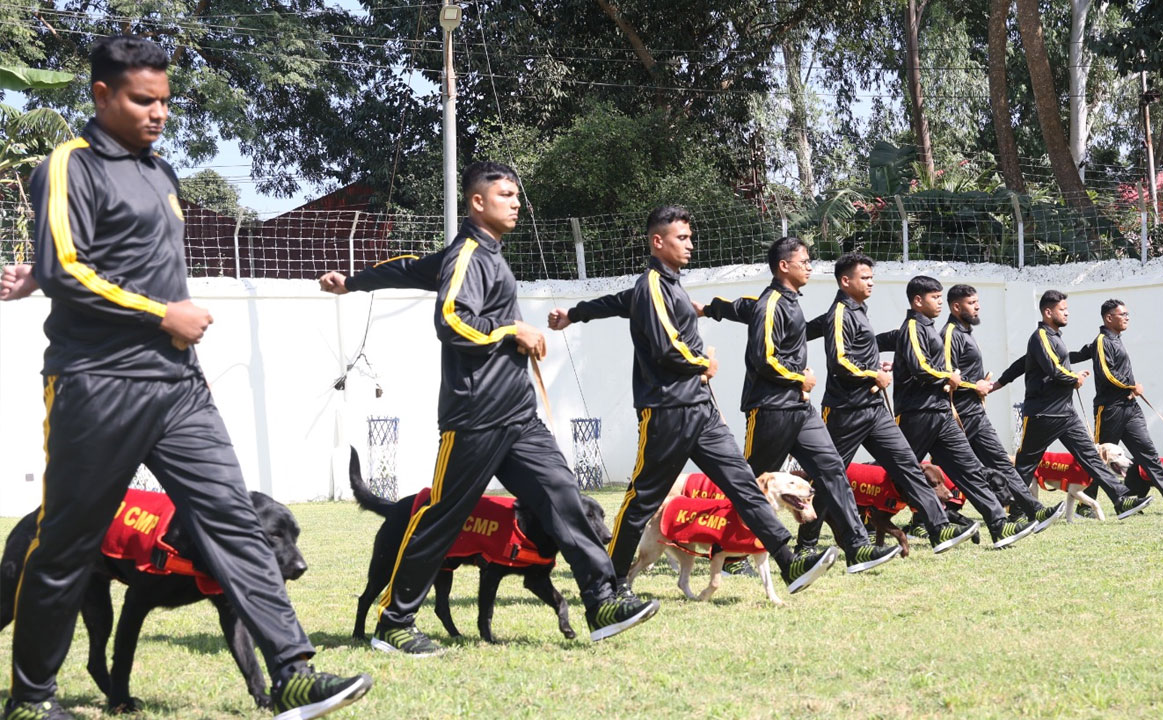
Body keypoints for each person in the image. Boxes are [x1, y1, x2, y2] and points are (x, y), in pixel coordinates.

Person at [7, 35, 371, 720]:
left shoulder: (161, 174)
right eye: (143, 101)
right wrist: (157, 312)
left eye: (166, 102)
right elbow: (68, 267)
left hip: (179, 386)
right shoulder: (69, 166)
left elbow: (110, 259)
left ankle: (291, 672)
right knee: (67, 543)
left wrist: (147, 314)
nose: (158, 114)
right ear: (102, 96)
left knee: (233, 520)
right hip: (97, 385)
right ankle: (30, 698)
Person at [320, 161, 658, 651]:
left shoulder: (486, 255)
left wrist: (352, 283)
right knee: (444, 518)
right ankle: (395, 623)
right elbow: (451, 320)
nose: (517, 201)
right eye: (506, 194)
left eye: (518, 194)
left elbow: (408, 267)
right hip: (475, 416)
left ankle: (602, 599)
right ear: (478, 202)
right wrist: (511, 331)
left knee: (562, 494)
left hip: (517, 415)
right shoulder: (469, 255)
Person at [547, 209, 841, 591]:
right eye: (681, 238)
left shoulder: (668, 286)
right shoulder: (652, 285)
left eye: (689, 237)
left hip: (702, 411)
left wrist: (574, 313)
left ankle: (789, 563)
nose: (690, 244)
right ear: (658, 242)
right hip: (667, 411)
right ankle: (611, 579)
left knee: (744, 485)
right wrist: (705, 362)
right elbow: (669, 347)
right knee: (642, 500)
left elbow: (617, 301)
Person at [700, 237, 899, 572]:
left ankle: (857, 547)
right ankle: (728, 553)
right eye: (804, 261)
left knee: (832, 469)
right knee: (752, 484)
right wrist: (799, 380)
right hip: (770, 409)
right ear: (783, 266)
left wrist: (712, 308)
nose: (810, 266)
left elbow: (740, 307)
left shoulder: (789, 302)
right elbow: (762, 359)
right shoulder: (772, 304)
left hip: (801, 410)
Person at [792, 254, 979, 554]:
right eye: (864, 277)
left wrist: (874, 367)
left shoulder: (858, 311)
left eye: (871, 277)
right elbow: (839, 361)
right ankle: (806, 544)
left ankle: (938, 528)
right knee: (830, 476)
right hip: (845, 411)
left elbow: (854, 356)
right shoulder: (840, 312)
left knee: (907, 464)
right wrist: (872, 374)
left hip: (875, 409)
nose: (871, 282)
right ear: (845, 281)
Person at [996, 300, 1163, 514]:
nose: (1127, 317)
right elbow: (1101, 373)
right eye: (1062, 310)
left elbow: (1067, 358)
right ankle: (1023, 509)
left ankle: (1154, 498)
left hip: (1094, 410)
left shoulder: (1062, 339)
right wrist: (1002, 381)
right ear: (1109, 318)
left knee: (1112, 456)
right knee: (1032, 463)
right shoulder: (1058, 338)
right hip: (1094, 410)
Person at [891, 276, 1036, 548]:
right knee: (902, 472)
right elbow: (919, 367)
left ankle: (998, 525)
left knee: (969, 468)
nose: (939, 303)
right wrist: (948, 377)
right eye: (935, 298)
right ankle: (893, 521)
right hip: (915, 414)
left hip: (941, 413)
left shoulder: (929, 328)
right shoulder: (912, 326)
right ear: (918, 300)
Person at [940, 285, 1065, 531]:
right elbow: (945, 375)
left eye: (977, 302)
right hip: (959, 417)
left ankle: (1035, 511)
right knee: (948, 470)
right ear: (956, 307)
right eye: (971, 303)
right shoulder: (950, 334)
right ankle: (922, 519)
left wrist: (980, 386)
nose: (977, 306)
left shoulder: (966, 332)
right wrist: (974, 386)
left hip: (976, 414)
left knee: (1003, 463)